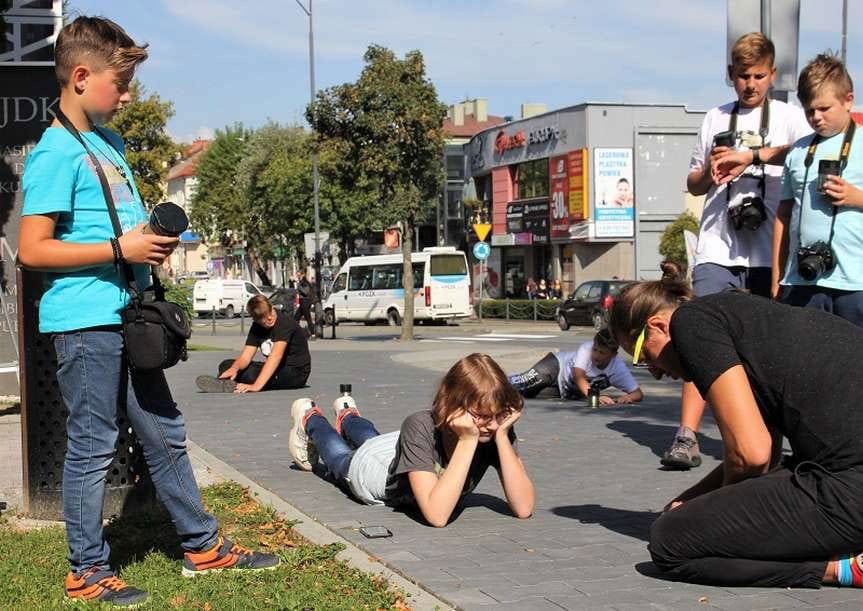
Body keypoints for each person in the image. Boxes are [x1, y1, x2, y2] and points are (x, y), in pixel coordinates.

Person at [18, 17, 278, 606]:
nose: (129, 94)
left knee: (163, 429)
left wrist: (146, 244)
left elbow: (120, 230)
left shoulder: (107, 144)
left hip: (129, 314)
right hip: (84, 321)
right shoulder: (56, 151)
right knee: (93, 443)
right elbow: (33, 249)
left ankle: (202, 545)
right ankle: (85, 570)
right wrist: (120, 248)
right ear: (82, 77)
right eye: (121, 81)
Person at [610, 279, 863, 590]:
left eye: (641, 356)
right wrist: (692, 499)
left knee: (670, 542)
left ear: (659, 325)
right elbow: (764, 453)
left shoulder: (690, 323)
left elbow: (751, 454)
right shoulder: (748, 320)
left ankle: (843, 569)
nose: (653, 371)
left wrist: (709, 508)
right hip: (845, 476)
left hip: (849, 490)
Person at [663, 32, 812, 470]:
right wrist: (711, 173)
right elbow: (691, 180)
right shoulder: (714, 117)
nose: (750, 84)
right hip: (717, 243)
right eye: (743, 76)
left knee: (768, 350)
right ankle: (686, 436)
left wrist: (751, 157)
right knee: (697, 336)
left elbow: (804, 153)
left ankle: (770, 439)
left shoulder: (790, 116)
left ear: (772, 75)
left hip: (768, 251)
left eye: (759, 76)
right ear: (731, 76)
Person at [287, 354, 534, 527]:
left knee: (369, 435)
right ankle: (310, 417)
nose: (491, 424)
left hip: (399, 449)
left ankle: (347, 412)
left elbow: (523, 507)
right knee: (337, 454)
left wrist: (502, 435)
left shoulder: (493, 429)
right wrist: (468, 440)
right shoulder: (421, 424)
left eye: (497, 416)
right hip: (372, 469)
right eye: (482, 416)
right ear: (454, 406)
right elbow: (437, 515)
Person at [774, 54, 863, 327]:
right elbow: (784, 215)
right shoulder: (798, 151)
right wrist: (777, 276)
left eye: (824, 108)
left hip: (855, 282)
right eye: (809, 110)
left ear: (848, 99)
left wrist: (855, 198)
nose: (816, 117)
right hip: (801, 279)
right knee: (804, 365)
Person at [195, 295, 311, 393]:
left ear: (271, 308)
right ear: (255, 320)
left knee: (251, 375)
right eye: (264, 320)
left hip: (295, 373)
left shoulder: (285, 323)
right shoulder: (256, 327)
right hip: (276, 368)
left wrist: (256, 386)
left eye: (270, 314)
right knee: (226, 364)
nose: (270, 319)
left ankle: (231, 383)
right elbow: (246, 357)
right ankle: (228, 382)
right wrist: (234, 368)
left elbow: (275, 357)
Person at [508, 329, 643, 404]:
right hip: (555, 366)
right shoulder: (586, 348)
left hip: (563, 391)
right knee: (521, 385)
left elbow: (637, 393)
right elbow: (578, 376)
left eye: (602, 352)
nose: (596, 355)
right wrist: (594, 397)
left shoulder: (618, 368)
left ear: (613, 354)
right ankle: (497, 382)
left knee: (526, 395)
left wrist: (626, 398)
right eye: (595, 349)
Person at [295, 269, 318, 338]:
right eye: (297, 275)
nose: (298, 276)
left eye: (299, 275)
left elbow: (306, 292)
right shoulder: (301, 282)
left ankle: (313, 334)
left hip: (305, 302)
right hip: (302, 302)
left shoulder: (305, 282)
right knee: (296, 318)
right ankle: (296, 333)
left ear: (303, 275)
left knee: (308, 318)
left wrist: (298, 286)